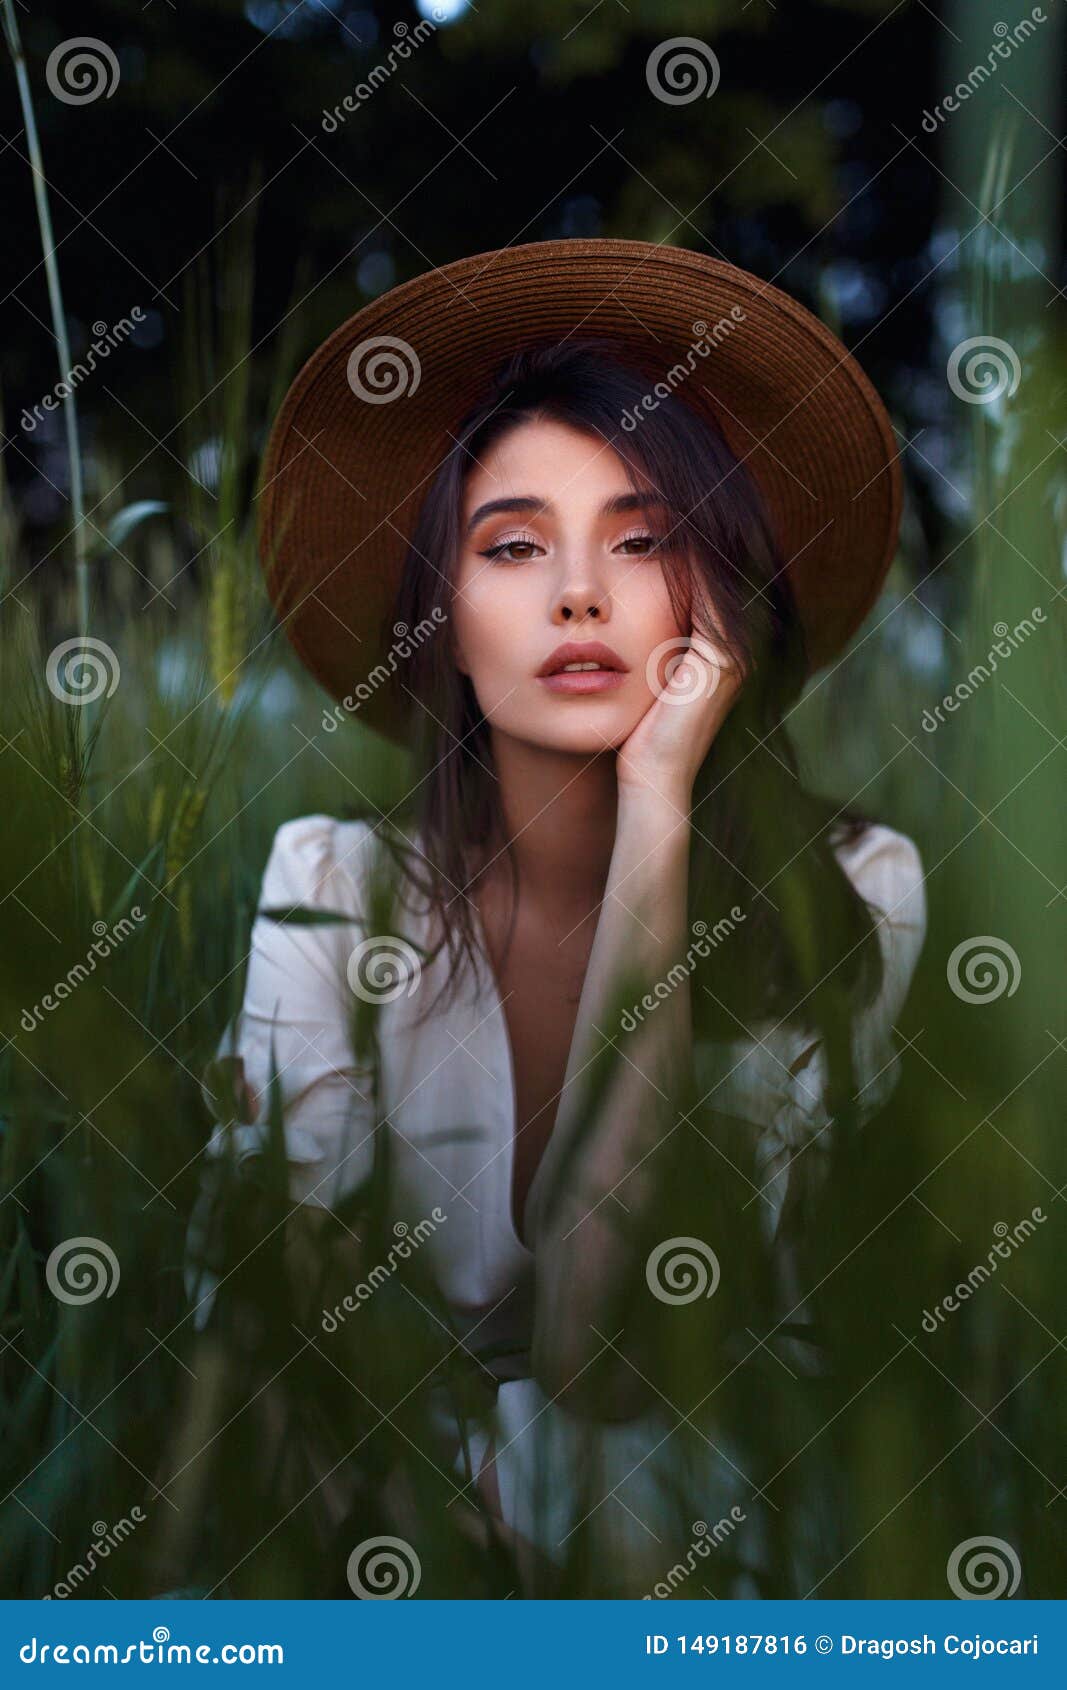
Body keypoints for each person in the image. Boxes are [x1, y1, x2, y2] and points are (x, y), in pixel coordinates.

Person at [184, 239, 927, 1597]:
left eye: (644, 541)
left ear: (726, 598)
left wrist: (658, 814)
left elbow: (610, 1350)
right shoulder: (335, 887)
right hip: (395, 1510)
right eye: (512, 545)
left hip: (708, 1509)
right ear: (443, 618)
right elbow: (282, 1340)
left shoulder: (860, 886)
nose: (577, 592)